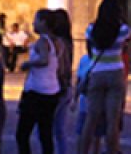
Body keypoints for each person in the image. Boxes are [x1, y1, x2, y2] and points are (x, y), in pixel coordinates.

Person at [78, 0, 130, 154]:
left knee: (91, 118)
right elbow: (127, 39)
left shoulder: (91, 30)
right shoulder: (123, 30)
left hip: (97, 72)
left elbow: (90, 51)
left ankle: (83, 151)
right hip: (115, 73)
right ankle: (112, 150)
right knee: (112, 120)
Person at [16, 9, 60, 154]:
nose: (34, 23)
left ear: (44, 23)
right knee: (45, 133)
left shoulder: (42, 41)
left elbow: (44, 60)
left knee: (22, 133)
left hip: (37, 91)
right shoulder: (56, 41)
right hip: (51, 90)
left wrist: (28, 64)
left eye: (36, 20)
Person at [48, 9, 74, 154]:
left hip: (58, 87)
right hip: (66, 87)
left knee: (48, 129)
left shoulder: (58, 43)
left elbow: (60, 67)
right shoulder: (68, 41)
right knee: (60, 129)